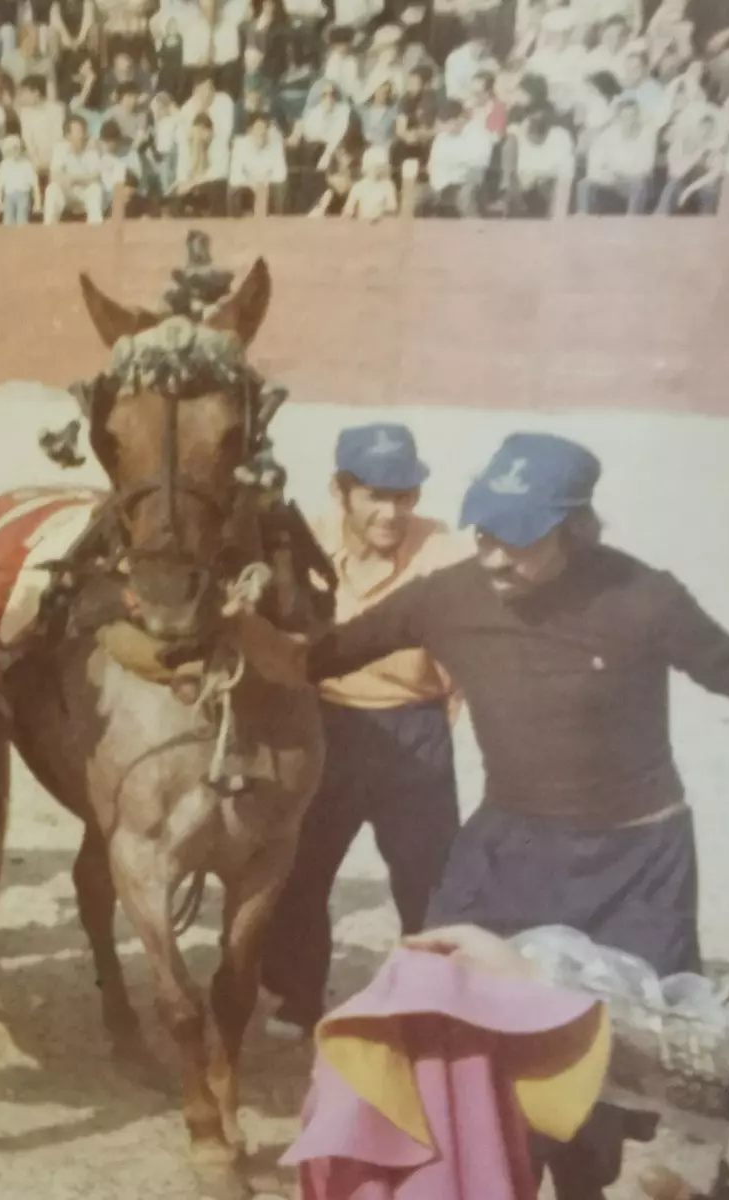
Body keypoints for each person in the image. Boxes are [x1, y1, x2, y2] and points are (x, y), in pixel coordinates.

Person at [227, 432, 729, 1200]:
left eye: (520, 540)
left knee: (607, 1073)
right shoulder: (449, 597)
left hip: (638, 865)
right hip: (508, 852)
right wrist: (235, 622)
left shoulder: (646, 599)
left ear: (575, 528)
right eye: (483, 534)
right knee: (456, 1035)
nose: (495, 557)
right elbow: (309, 660)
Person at [261, 424, 469, 1038]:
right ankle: (299, 998)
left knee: (427, 879)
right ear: (341, 491)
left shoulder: (443, 551)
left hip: (415, 730)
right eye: (375, 495)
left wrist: (434, 718)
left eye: (404, 496)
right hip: (326, 725)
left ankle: (430, 1009)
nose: (392, 512)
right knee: (302, 870)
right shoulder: (303, 544)